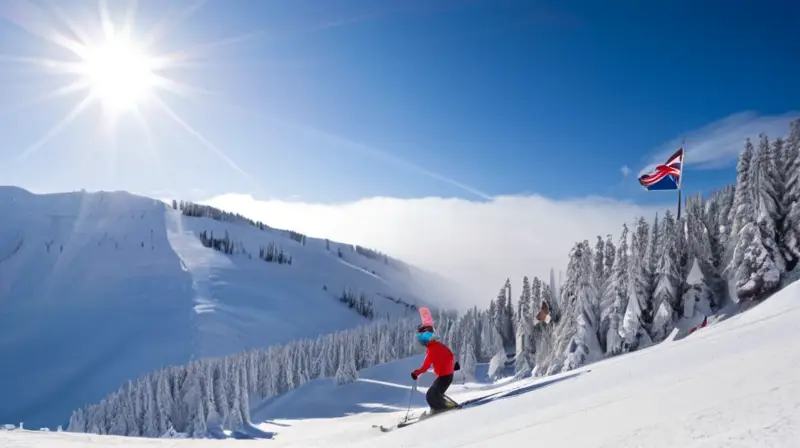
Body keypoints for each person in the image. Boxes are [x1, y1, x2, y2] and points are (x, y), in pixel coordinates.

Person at [411, 324, 461, 413]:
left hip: (444, 377)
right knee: (434, 394)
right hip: (445, 377)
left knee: (431, 396)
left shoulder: (432, 350)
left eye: (422, 337)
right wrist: (454, 365)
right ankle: (442, 407)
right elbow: (448, 355)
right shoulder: (437, 346)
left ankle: (444, 409)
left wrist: (416, 373)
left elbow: (425, 367)